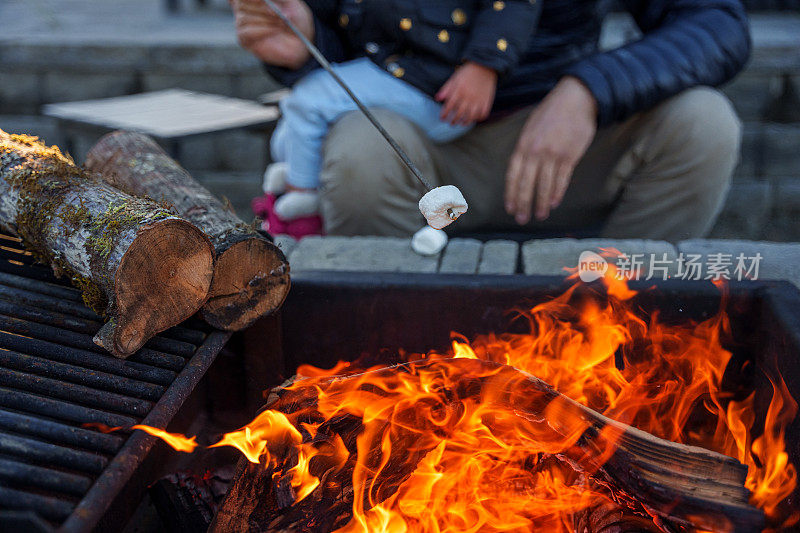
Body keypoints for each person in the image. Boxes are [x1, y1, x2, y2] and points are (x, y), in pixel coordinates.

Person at [235, 0, 751, 242]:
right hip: (424, 146)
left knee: (702, 124)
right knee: (359, 150)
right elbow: (362, 40)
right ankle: (388, 355)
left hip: (570, 149)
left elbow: (716, 22)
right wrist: (304, 42)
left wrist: (590, 91)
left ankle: (616, 322)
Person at [260, 0, 540, 241]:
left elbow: (511, 6)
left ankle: (302, 207)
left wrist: (484, 64)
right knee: (289, 134)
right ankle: (300, 184)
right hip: (389, 71)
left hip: (438, 89)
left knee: (307, 101)